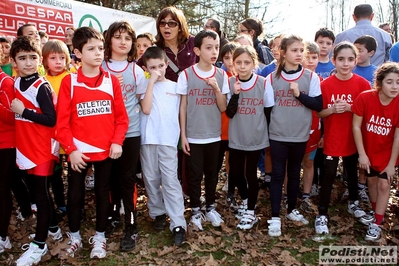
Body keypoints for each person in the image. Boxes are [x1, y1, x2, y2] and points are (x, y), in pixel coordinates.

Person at [56, 26, 128, 259]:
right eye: (91, 49)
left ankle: (100, 236)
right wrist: (72, 150)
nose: (98, 53)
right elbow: (61, 123)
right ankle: (75, 236)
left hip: (106, 150)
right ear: (77, 53)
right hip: (79, 152)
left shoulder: (111, 81)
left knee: (102, 192)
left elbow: (121, 118)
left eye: (100, 48)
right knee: (75, 194)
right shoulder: (70, 82)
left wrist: (117, 142)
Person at [10, 36, 62, 266]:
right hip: (25, 146)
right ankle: (53, 229)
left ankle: (38, 246)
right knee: (37, 192)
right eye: (22, 58)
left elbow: (51, 119)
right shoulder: (14, 83)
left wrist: (25, 111)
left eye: (32, 58)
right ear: (14, 61)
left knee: (41, 195)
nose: (28, 63)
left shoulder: (41, 86)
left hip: (42, 147)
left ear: (39, 60)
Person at [314, 42, 374, 236]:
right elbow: (320, 113)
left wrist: (350, 108)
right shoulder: (325, 84)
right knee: (329, 174)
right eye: (341, 59)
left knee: (352, 172)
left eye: (350, 59)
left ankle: (354, 203)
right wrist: (332, 110)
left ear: (356, 61)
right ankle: (322, 213)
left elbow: (367, 113)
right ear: (334, 61)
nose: (345, 64)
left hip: (354, 139)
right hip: (332, 138)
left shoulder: (363, 85)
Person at [266, 35, 323, 237]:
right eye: (294, 50)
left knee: (294, 172)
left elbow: (318, 105)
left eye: (301, 51)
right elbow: (266, 108)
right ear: (283, 52)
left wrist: (300, 95)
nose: (299, 54)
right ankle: (274, 216)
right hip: (277, 134)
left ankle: (291, 210)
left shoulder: (310, 77)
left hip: (300, 135)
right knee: (278, 174)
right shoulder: (272, 78)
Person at [177, 30, 229, 231]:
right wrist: (183, 136)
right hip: (193, 136)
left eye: (216, 47)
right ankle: (196, 210)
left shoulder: (222, 74)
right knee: (194, 175)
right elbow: (182, 107)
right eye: (209, 48)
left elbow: (223, 107)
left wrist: (216, 88)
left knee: (212, 174)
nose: (214, 51)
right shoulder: (187, 74)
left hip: (214, 135)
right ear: (197, 50)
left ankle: (210, 207)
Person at [101, 20, 145, 251]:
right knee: (109, 179)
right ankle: (112, 217)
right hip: (104, 134)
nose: (123, 42)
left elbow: (141, 101)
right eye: (118, 37)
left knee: (127, 179)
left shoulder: (135, 70)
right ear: (109, 40)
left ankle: (131, 224)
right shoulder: (100, 67)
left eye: (127, 38)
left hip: (131, 132)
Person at [139, 46, 186, 246]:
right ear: (146, 68)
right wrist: (150, 83)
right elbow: (146, 108)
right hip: (148, 139)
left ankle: (178, 223)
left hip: (167, 140)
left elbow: (181, 114)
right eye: (152, 67)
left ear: (167, 64)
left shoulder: (175, 87)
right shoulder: (144, 86)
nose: (158, 70)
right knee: (150, 178)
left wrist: (183, 136)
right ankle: (157, 212)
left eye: (160, 66)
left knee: (170, 180)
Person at [225, 45, 274, 230]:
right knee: (235, 174)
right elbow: (229, 113)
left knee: (250, 174)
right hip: (237, 136)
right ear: (233, 64)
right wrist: (236, 94)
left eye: (247, 62)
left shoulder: (263, 82)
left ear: (254, 63)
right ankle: (246, 200)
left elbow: (269, 110)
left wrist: (270, 136)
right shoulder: (230, 83)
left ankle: (251, 212)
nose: (243, 66)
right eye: (238, 62)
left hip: (256, 136)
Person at [352, 62, 399, 241]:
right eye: (390, 82)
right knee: (371, 183)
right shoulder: (365, 98)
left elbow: (397, 137)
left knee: (383, 184)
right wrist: (362, 154)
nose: (395, 86)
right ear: (379, 82)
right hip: (369, 149)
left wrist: (391, 165)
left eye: (398, 82)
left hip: (388, 152)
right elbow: (356, 126)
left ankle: (377, 223)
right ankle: (375, 211)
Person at [42, 40, 72, 217]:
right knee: (55, 172)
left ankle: (77, 205)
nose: (58, 61)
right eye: (53, 58)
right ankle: (60, 204)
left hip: (70, 134)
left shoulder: (72, 77)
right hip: (52, 135)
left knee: (74, 173)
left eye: (62, 57)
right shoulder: (42, 80)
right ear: (45, 60)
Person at [137, 6, 197, 82]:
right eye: (162, 23)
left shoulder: (193, 42)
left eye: (171, 23)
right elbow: (136, 71)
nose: (166, 26)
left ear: (180, 27)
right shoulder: (154, 49)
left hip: (191, 92)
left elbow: (206, 67)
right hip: (166, 93)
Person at [299, 41, 322, 214]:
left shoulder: (322, 81)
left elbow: (323, 109)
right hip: (292, 130)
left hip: (314, 131)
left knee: (309, 162)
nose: (311, 61)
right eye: (308, 57)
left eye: (315, 57)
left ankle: (306, 195)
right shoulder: (293, 79)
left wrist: (324, 134)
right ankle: (287, 195)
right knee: (289, 164)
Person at [218, 42, 238, 207]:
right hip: (220, 126)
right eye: (226, 58)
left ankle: (231, 189)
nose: (230, 61)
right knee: (218, 160)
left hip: (237, 128)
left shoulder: (244, 79)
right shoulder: (220, 77)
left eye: (233, 57)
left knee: (235, 159)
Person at [0, 45, 15, 255]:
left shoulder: (6, 81)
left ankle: (2, 236)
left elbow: (14, 117)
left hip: (5, 143)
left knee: (2, 189)